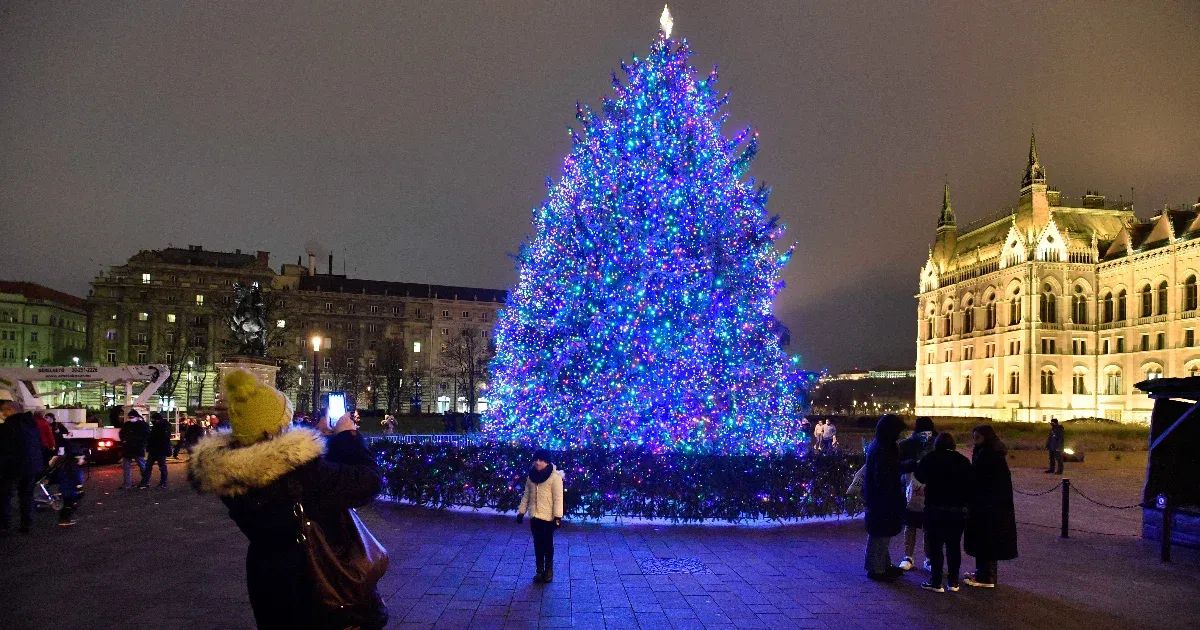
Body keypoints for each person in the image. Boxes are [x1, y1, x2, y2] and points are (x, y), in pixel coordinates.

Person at [188, 369, 387, 629]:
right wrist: (348, 437)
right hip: (319, 588)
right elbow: (368, 481)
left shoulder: (231, 472)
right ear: (278, 427)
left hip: (270, 584)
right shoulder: (303, 475)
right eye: (287, 420)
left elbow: (290, 465)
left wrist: (317, 438)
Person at [914, 432, 972, 593]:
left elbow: (920, 476)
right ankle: (953, 582)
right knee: (954, 546)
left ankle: (936, 581)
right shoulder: (963, 460)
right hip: (958, 510)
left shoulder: (930, 458)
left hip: (935, 508)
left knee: (936, 546)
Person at [964, 425, 1018, 588]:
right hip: (991, 505)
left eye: (978, 437)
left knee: (986, 540)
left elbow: (979, 478)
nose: (975, 441)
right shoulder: (990, 452)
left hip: (988, 506)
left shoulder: (989, 455)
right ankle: (983, 572)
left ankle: (986, 577)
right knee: (986, 540)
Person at [863, 414, 915, 581]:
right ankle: (876, 569)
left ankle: (882, 565)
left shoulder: (879, 445)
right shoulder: (884, 448)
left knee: (880, 532)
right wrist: (905, 466)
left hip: (879, 496)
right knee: (880, 533)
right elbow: (886, 473)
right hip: (883, 497)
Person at [516, 449, 564, 584]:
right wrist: (521, 512)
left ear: (547, 462)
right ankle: (539, 570)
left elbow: (558, 499)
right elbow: (526, 496)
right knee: (537, 544)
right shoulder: (531, 476)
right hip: (534, 516)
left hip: (548, 518)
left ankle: (548, 570)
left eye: (541, 460)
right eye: (536, 460)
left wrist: (557, 517)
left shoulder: (555, 478)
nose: (538, 462)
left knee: (547, 544)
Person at [0, 390, 45, 533]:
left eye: (4, 410)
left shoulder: (9, 426)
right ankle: (27, 523)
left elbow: (5, 447)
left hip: (13, 465)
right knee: (26, 495)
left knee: (5, 495)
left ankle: (5, 525)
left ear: (11, 410)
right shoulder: (31, 424)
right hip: (32, 465)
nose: (3, 414)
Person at [897, 417, 937, 572]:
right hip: (911, 489)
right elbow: (899, 466)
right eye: (923, 433)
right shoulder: (906, 445)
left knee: (929, 527)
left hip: (931, 490)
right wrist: (911, 465)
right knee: (910, 525)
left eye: (928, 433)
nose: (926, 436)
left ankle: (929, 558)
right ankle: (908, 556)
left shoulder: (936, 445)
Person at [145, 412, 171, 488]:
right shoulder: (163, 426)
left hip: (158, 450)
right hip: (158, 450)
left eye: (153, 419)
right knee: (160, 467)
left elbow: (157, 438)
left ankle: (147, 482)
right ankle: (162, 483)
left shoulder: (159, 427)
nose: (152, 421)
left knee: (152, 466)